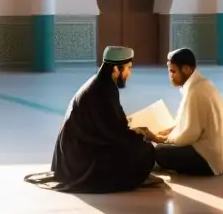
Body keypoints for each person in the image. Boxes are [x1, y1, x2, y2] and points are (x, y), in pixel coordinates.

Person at [24, 45, 161, 193]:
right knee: (144, 150)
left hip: (74, 155)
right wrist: (139, 134)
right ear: (116, 69)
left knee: (137, 144)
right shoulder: (102, 91)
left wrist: (131, 129)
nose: (129, 73)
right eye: (128, 68)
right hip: (80, 162)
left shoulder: (101, 84)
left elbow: (110, 125)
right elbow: (114, 134)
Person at [146, 48, 223, 177]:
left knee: (159, 152)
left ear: (187, 70)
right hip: (221, 154)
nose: (170, 76)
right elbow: (187, 124)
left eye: (173, 71)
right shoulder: (202, 84)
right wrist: (168, 133)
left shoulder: (196, 92)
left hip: (210, 159)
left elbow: (189, 134)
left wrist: (160, 139)